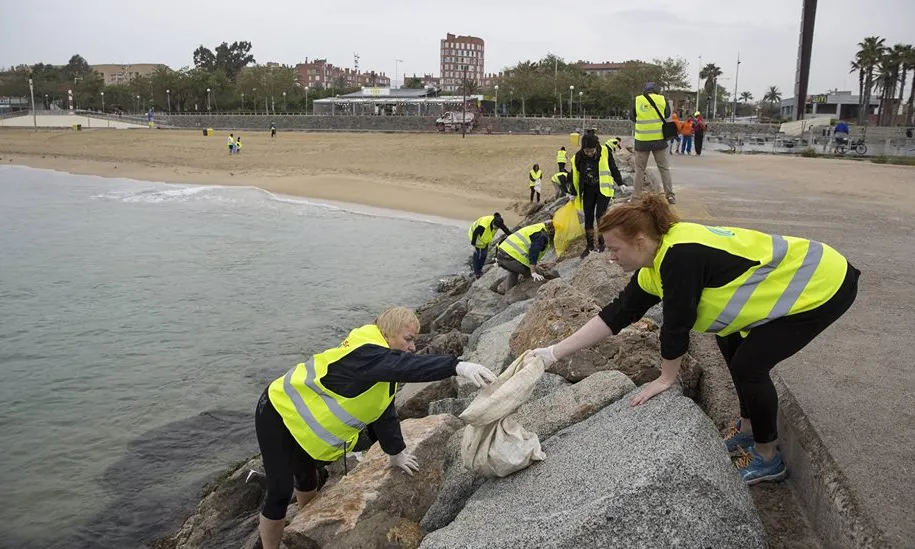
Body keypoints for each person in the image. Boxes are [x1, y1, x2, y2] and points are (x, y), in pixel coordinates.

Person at [525, 194, 859, 485]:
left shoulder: (679, 257)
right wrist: (553, 351)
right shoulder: (656, 263)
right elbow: (616, 315)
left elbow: (677, 324)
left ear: (640, 240)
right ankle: (746, 429)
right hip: (811, 276)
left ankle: (767, 456)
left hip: (823, 284)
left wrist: (667, 377)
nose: (610, 257)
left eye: (614, 249)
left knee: (750, 366)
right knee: (729, 340)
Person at [255, 307, 497, 549]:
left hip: (301, 420)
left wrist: (396, 453)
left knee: (308, 477)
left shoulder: (380, 363)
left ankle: (305, 530)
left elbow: (382, 410)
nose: (412, 347)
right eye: (408, 339)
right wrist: (457, 367)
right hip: (277, 410)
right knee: (279, 491)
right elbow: (409, 366)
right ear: (388, 333)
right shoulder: (365, 353)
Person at [569, 133, 623, 258]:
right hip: (588, 190)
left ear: (596, 146)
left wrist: (620, 183)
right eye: (586, 151)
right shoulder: (578, 157)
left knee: (600, 215)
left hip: (603, 189)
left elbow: (613, 167)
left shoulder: (605, 151)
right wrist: (573, 193)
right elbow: (574, 177)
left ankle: (602, 243)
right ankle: (589, 246)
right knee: (588, 217)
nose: (589, 153)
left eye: (591, 151)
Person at [632, 82, 675, 204]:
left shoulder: (637, 100)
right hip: (659, 140)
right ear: (656, 90)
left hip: (642, 141)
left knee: (640, 169)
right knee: (664, 168)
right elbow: (667, 114)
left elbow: (632, 116)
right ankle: (670, 195)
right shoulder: (662, 99)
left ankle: (635, 197)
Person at [496, 221, 555, 290]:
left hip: (501, 254)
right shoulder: (541, 235)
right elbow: (533, 253)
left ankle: (508, 294)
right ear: (552, 230)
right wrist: (533, 272)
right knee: (535, 275)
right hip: (510, 257)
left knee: (514, 272)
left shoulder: (537, 227)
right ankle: (536, 293)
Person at [468, 213, 512, 279]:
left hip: (484, 239)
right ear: (493, 222)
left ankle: (480, 268)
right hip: (476, 238)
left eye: (497, 227)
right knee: (477, 255)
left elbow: (506, 230)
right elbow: (475, 233)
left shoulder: (499, 222)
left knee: (483, 255)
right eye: (495, 226)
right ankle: (477, 273)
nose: (496, 228)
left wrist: (512, 237)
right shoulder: (483, 226)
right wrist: (473, 245)